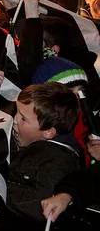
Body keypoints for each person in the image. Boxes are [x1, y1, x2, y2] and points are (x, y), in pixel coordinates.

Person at [8, 83, 81, 221]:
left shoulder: (57, 161)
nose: (15, 120)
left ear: (48, 132)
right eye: (16, 112)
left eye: (23, 118)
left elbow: (38, 205)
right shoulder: (26, 141)